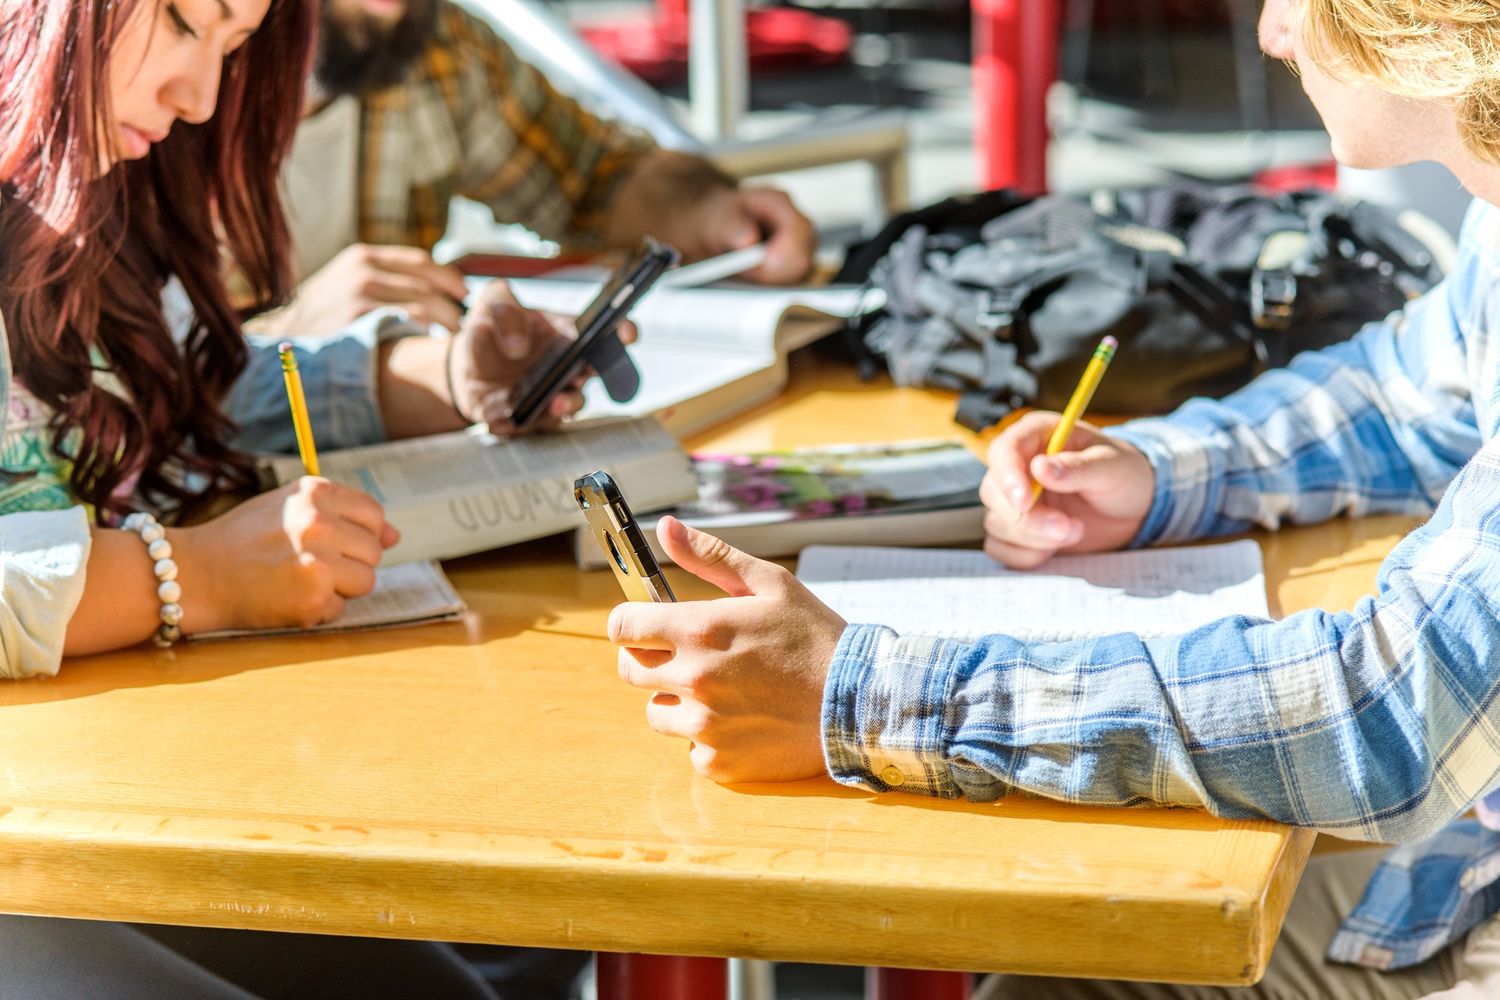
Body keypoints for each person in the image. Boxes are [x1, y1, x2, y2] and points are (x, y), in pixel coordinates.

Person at [606, 0, 1500, 995]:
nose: (1272, 33)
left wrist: (857, 693)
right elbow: (1406, 392)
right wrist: (1158, 475)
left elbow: (1384, 716)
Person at [0, 0, 598, 994]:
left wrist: (436, 378)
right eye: (185, 21)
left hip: (86, 793)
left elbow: (171, 391)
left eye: (233, 48)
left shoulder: (69, 195)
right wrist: (192, 576)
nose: (200, 97)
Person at [248, 0, 819, 336]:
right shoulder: (193, 92)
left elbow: (593, 178)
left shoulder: (435, 46)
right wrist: (288, 337)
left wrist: (709, 214)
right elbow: (184, 382)